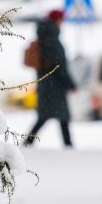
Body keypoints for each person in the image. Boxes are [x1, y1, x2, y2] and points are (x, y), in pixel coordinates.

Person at [23, 9, 77, 148]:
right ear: (57, 21)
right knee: (57, 116)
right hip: (55, 86)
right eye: (61, 20)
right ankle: (67, 145)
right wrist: (70, 84)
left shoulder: (43, 37)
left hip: (46, 84)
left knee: (47, 115)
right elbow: (60, 67)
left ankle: (29, 142)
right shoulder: (53, 41)